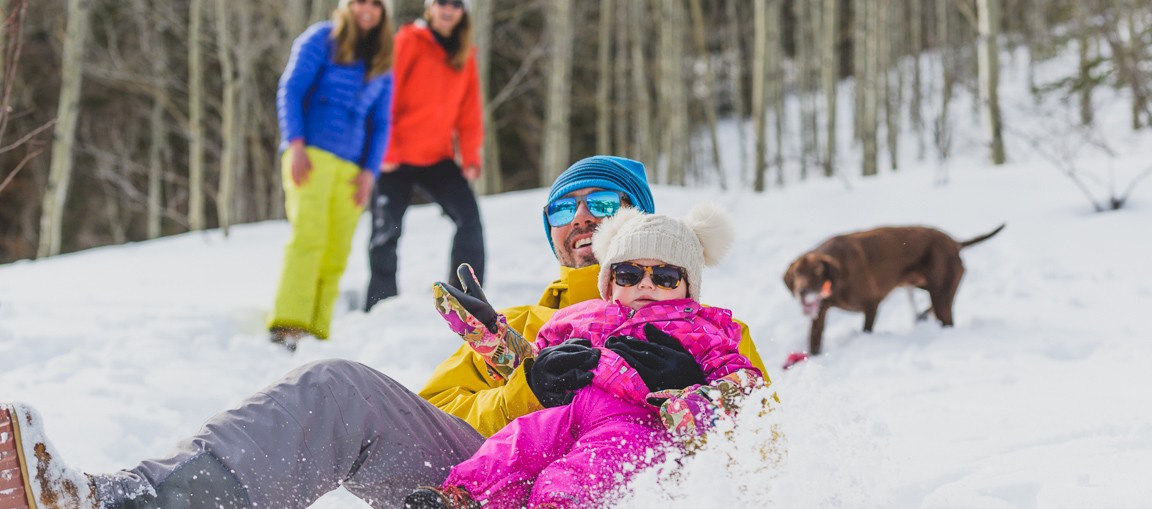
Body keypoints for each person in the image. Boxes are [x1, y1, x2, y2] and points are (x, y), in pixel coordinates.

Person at [0, 156, 768, 509]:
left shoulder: (706, 332)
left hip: (621, 491)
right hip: (488, 490)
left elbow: (772, 459)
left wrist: (691, 395)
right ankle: (128, 506)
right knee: (339, 390)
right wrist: (523, 387)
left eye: (603, 201)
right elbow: (432, 416)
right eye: (562, 209)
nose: (581, 219)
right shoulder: (527, 325)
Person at [412, 204, 764, 509]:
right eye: (629, 273)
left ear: (689, 287)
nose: (645, 284)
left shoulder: (704, 329)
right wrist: (487, 332)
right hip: (568, 410)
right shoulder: (583, 316)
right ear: (610, 282)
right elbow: (534, 362)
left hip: (633, 423)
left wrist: (692, 399)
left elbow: (746, 385)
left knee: (581, 470)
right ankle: (463, 496)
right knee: (517, 442)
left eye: (666, 276)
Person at [267, 0, 394, 351]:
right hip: (311, 155)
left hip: (353, 169)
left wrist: (369, 173)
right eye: (360, 2)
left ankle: (317, 328)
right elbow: (290, 89)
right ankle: (289, 323)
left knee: (337, 249)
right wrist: (295, 144)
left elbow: (381, 123)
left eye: (375, 4)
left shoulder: (383, 59)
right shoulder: (321, 38)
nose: (366, 9)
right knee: (309, 237)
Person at [364, 0, 485, 310]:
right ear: (429, 7)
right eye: (441, 2)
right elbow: (385, 94)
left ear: (463, 11)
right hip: (397, 156)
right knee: (386, 232)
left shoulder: (464, 54)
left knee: (469, 219)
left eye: (456, 4)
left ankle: (466, 301)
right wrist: (385, 148)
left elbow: (469, 111)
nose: (448, 9)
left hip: (436, 158)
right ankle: (379, 304)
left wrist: (470, 155)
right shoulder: (407, 42)